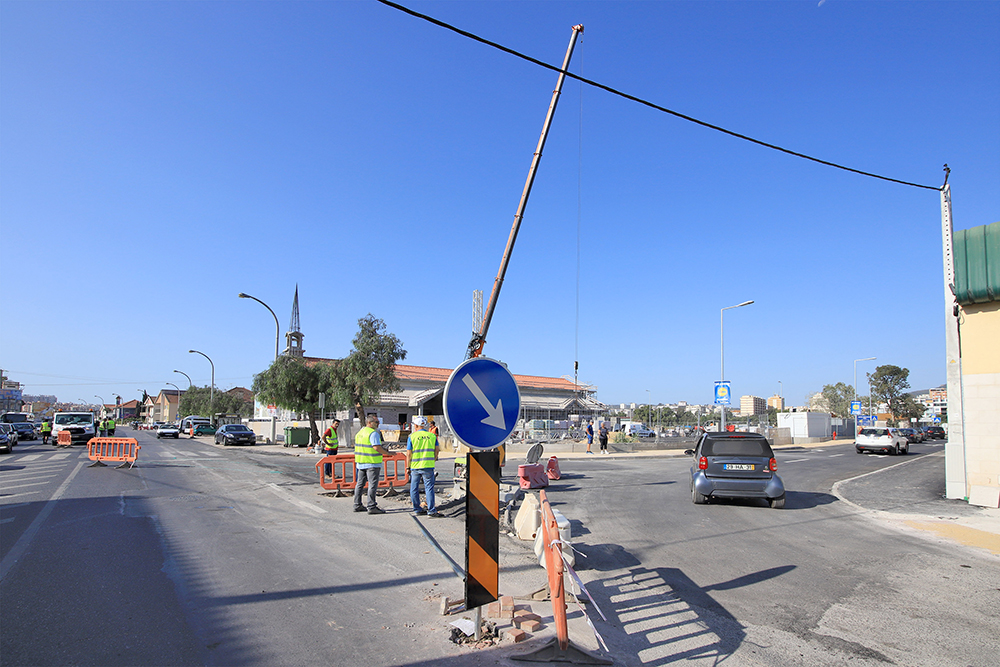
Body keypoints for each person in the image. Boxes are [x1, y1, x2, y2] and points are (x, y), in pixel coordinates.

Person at [353, 415, 392, 515]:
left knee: (360, 484)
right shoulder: (373, 433)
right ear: (369, 423)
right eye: (376, 422)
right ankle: (371, 506)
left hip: (361, 462)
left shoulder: (360, 433)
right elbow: (376, 447)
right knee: (372, 484)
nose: (378, 424)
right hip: (372, 462)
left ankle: (357, 504)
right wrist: (387, 453)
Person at [406, 416, 442, 517]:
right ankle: (431, 510)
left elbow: (409, 454)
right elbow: (437, 450)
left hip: (415, 466)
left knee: (414, 488)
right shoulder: (432, 436)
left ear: (416, 426)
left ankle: (417, 509)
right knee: (429, 488)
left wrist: (408, 467)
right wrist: (433, 459)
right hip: (428, 466)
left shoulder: (412, 437)